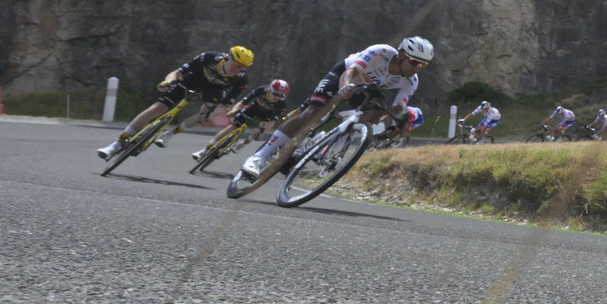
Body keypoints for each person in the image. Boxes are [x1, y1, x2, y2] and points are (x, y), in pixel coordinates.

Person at [238, 37, 432, 180]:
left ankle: (336, 138)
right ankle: (259, 157)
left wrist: (386, 124)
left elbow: (398, 107)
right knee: (311, 114)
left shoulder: (411, 81)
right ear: (400, 55)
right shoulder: (380, 52)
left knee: (380, 109)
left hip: (369, 89)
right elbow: (352, 71)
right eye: (415, 62)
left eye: (422, 65)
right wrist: (347, 86)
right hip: (346, 75)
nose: (417, 68)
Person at [98, 46, 253, 159]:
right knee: (156, 108)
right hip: (192, 80)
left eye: (242, 68)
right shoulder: (209, 57)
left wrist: (213, 112)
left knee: (204, 116)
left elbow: (227, 103)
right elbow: (178, 72)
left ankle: (170, 134)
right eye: (236, 65)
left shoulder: (241, 78)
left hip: (214, 91)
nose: (237, 70)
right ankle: (115, 144)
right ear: (228, 58)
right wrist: (168, 81)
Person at [194, 78, 291, 162]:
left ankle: (243, 144)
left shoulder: (282, 104)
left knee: (262, 129)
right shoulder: (260, 90)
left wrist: (263, 131)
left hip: (268, 114)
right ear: (269, 89)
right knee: (232, 127)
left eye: (280, 96)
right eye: (275, 94)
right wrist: (234, 110)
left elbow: (273, 121)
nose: (277, 97)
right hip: (254, 108)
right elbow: (242, 102)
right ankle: (204, 151)